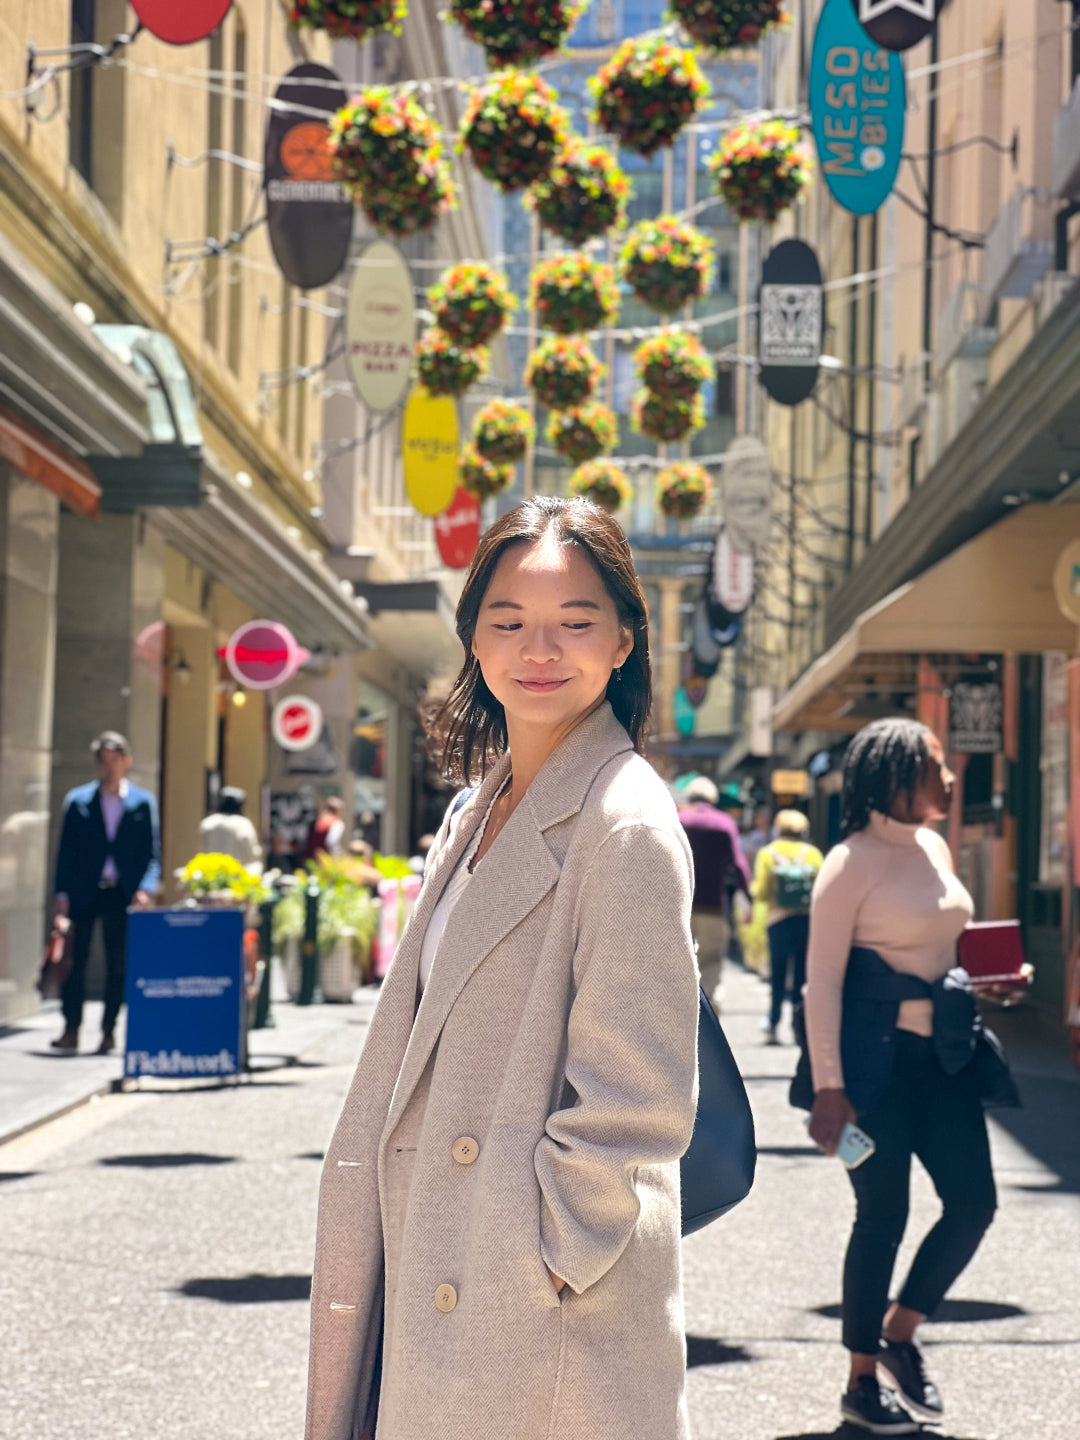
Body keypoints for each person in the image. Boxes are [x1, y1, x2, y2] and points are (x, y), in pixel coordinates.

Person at [306, 497, 699, 1440]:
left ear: (623, 643)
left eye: (576, 623)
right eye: (510, 622)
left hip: (532, 1309)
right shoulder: (477, 808)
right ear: (473, 640)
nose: (541, 649)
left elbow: (637, 1096)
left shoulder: (625, 821)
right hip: (439, 1265)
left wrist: (545, 1255)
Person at [803, 718, 999, 1435]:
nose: (949, 780)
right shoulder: (849, 863)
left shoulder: (934, 846)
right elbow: (820, 983)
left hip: (944, 1062)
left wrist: (992, 978)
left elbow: (943, 946)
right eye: (934, 768)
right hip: (869, 1073)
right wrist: (831, 1088)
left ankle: (900, 1332)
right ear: (892, 776)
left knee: (973, 1203)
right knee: (881, 1217)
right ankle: (861, 1378)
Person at [51, 731, 161, 1055]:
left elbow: (152, 853)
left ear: (126, 762)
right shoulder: (78, 801)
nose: (110, 767)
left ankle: (108, 1031)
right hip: (84, 891)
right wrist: (61, 895)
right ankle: (71, 1028)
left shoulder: (142, 802)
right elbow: (65, 853)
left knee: (117, 964)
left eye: (116, 760)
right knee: (75, 961)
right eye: (104, 761)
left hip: (121, 892)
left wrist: (145, 889)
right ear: (97, 763)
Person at [677, 775, 752, 1015]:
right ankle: (706, 1013)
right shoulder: (724, 824)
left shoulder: (678, 820)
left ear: (690, 797)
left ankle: (681, 1011)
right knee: (711, 962)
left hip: (679, 908)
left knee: (679, 965)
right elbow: (738, 865)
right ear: (713, 799)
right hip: (713, 908)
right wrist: (749, 898)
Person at [752, 809, 823, 1044]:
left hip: (777, 921)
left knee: (778, 973)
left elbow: (760, 892)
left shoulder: (767, 853)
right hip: (807, 921)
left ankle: (773, 1023)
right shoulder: (812, 854)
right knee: (803, 975)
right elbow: (823, 890)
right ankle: (799, 1025)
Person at [198, 786, 263, 874]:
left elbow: (203, 848)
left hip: (211, 874)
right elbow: (252, 853)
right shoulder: (242, 823)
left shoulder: (208, 822)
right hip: (236, 877)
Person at [302, 796, 346, 861]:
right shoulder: (337, 823)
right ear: (338, 811)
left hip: (311, 857)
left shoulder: (317, 820)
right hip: (325, 860)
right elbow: (331, 841)